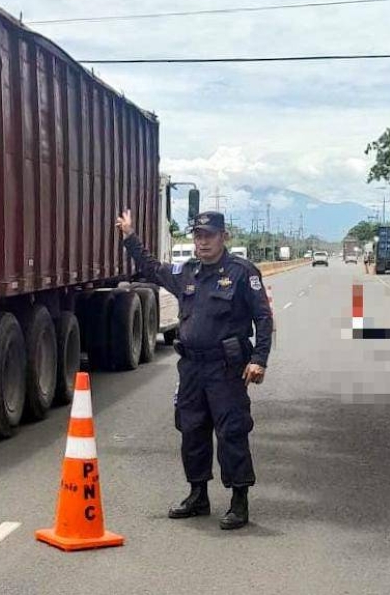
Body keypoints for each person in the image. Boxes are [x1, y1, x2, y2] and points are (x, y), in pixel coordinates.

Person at [116, 209, 273, 530]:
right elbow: (151, 268)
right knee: (191, 429)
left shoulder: (242, 273)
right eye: (198, 236)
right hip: (191, 368)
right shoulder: (187, 272)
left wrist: (259, 358)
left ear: (223, 237)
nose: (203, 242)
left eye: (209, 236)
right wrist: (130, 237)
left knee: (231, 432)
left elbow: (264, 318)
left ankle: (239, 501)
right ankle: (197, 495)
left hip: (227, 369)